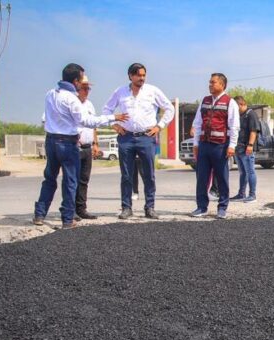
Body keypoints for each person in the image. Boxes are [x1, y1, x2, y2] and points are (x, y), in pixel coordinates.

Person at [34, 63, 128, 228]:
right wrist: (113, 117)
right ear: (76, 81)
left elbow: (47, 118)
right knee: (71, 181)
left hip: (51, 141)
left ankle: (39, 215)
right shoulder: (72, 99)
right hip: (67, 143)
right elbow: (87, 121)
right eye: (82, 81)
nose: (85, 87)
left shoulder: (50, 94)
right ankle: (68, 219)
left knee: (49, 178)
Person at [103, 62, 174, 220]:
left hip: (146, 137)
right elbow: (106, 109)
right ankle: (126, 208)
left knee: (149, 174)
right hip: (126, 137)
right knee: (126, 175)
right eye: (138, 75)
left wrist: (159, 126)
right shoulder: (120, 92)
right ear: (130, 76)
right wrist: (113, 125)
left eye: (143, 75)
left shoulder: (152, 91)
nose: (142, 78)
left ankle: (150, 207)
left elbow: (170, 108)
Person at [190, 73, 239, 219]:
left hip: (221, 146)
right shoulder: (204, 101)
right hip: (204, 145)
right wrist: (196, 143)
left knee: (222, 178)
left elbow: (234, 126)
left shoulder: (230, 102)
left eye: (213, 82)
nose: (210, 85)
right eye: (210, 82)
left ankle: (222, 207)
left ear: (222, 85)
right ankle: (201, 207)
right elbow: (197, 123)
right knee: (202, 178)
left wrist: (232, 146)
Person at [74, 75, 100, 220]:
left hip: (87, 147)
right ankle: (70, 209)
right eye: (84, 88)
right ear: (77, 87)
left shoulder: (90, 105)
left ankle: (81, 208)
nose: (87, 91)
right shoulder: (71, 103)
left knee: (84, 180)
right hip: (75, 147)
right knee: (73, 179)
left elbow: (93, 126)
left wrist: (95, 144)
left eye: (88, 88)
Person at [231, 96, 259, 203]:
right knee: (242, 173)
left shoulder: (251, 114)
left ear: (241, 104)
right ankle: (241, 194)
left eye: (235, 107)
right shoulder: (239, 115)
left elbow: (253, 131)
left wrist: (250, 145)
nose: (234, 110)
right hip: (239, 148)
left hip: (247, 148)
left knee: (250, 172)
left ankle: (252, 195)